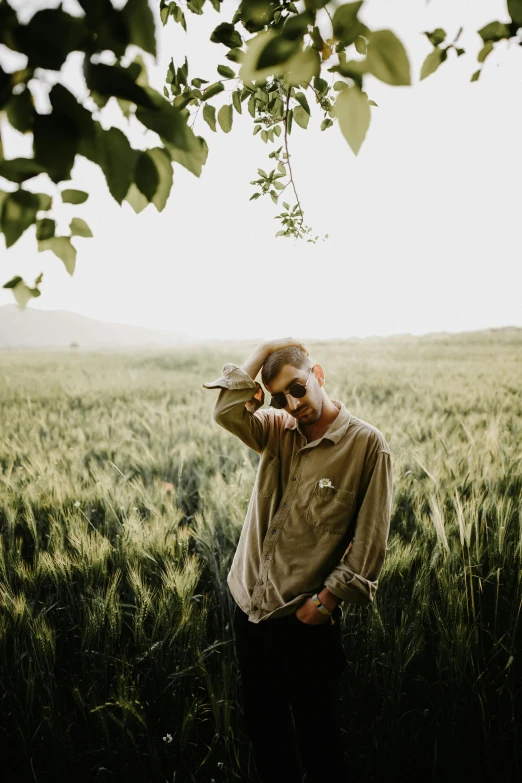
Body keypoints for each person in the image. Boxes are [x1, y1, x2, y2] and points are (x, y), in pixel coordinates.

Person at [203, 337, 393, 782]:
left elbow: (370, 543)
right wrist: (266, 347)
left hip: (305, 619)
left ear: (318, 375)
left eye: (298, 388)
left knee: (319, 740)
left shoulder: (366, 446)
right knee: (267, 737)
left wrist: (325, 602)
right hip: (249, 608)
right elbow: (226, 411)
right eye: (279, 397)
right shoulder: (274, 428)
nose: (292, 404)